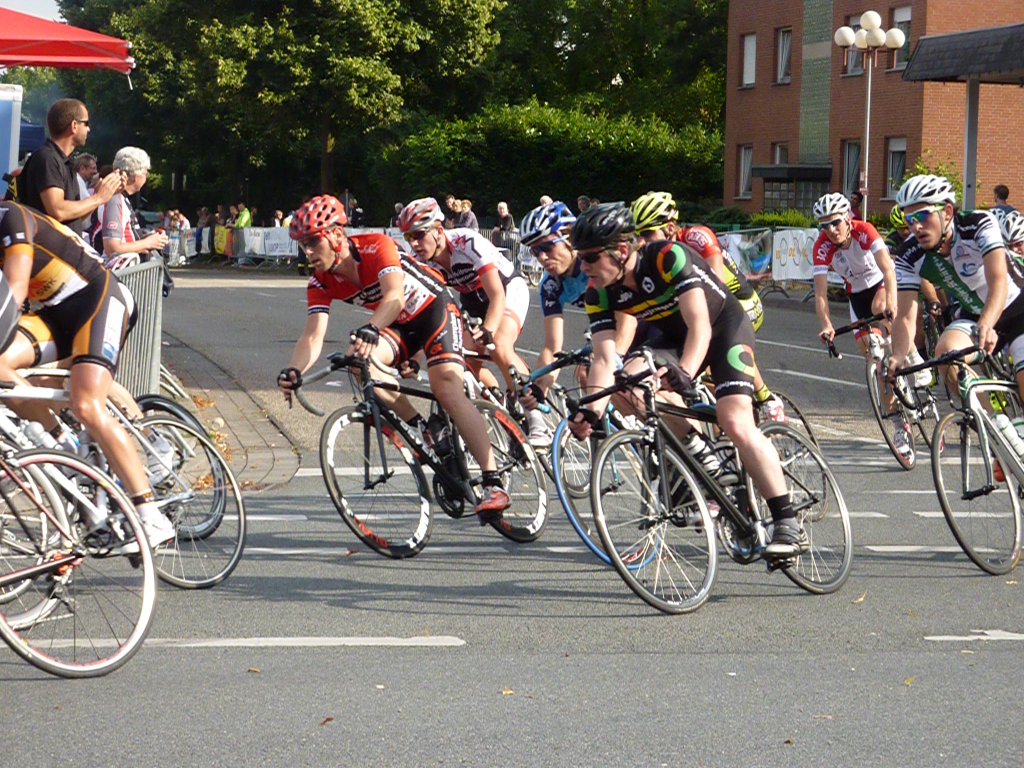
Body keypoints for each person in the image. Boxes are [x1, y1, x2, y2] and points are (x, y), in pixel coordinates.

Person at [566, 202, 806, 560]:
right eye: (580, 257)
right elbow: (603, 359)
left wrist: (686, 373)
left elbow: (700, 325)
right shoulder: (597, 293)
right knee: (627, 382)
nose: (582, 266)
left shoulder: (667, 257)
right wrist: (593, 410)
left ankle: (787, 521)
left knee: (734, 420)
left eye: (589, 257)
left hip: (723, 328)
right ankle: (701, 455)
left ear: (621, 251)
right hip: (674, 338)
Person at [278, 195, 510, 518]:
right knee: (359, 362)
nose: (308, 252)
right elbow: (313, 335)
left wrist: (371, 327)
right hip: (399, 325)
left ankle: (493, 482)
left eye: (313, 242)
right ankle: (424, 429)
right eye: (303, 245)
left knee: (446, 387)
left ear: (335, 234)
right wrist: (294, 369)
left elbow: (395, 298)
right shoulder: (320, 281)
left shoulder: (375, 246)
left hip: (433, 309)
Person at [0, 200, 176, 549]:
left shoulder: (10, 218)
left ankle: (150, 515)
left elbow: (16, 291)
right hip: (55, 315)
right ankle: (64, 450)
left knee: (86, 404)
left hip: (99, 296)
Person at [397, 198, 545, 444]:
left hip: (506, 288)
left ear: (438, 230)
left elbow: (497, 295)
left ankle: (537, 418)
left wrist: (488, 329)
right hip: (473, 299)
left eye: (419, 235)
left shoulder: (467, 242)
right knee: (462, 357)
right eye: (408, 237)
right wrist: (415, 357)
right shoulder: (421, 261)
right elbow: (424, 315)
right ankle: (501, 406)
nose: (414, 244)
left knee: (498, 343)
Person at [628, 191, 785, 423]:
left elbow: (717, 285)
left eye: (647, 233)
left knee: (720, 346)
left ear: (669, 228)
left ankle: (766, 399)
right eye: (636, 235)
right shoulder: (653, 258)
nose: (640, 242)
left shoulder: (696, 237)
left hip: (738, 300)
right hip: (707, 303)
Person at [889, 176, 1024, 445]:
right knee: (945, 355)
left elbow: (998, 281)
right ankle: (1000, 431)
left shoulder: (978, 224)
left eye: (923, 216)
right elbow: (905, 316)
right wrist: (898, 356)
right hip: (975, 312)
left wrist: (987, 323)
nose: (916, 226)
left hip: (1015, 306)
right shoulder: (908, 255)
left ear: (947, 212)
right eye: (909, 220)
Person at [20, 99, 122, 236]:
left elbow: (74, 217)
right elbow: (58, 211)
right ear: (74, 126)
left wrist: (102, 194)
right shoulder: (47, 158)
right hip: (47, 249)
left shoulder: (65, 163)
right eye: (86, 123)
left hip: (65, 247)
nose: (88, 129)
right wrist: (98, 198)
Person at [102, 147, 168, 265]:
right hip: (116, 272)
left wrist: (151, 238)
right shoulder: (115, 199)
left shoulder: (121, 198)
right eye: (146, 173)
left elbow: (126, 237)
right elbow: (112, 249)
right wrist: (148, 243)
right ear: (136, 177)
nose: (146, 177)